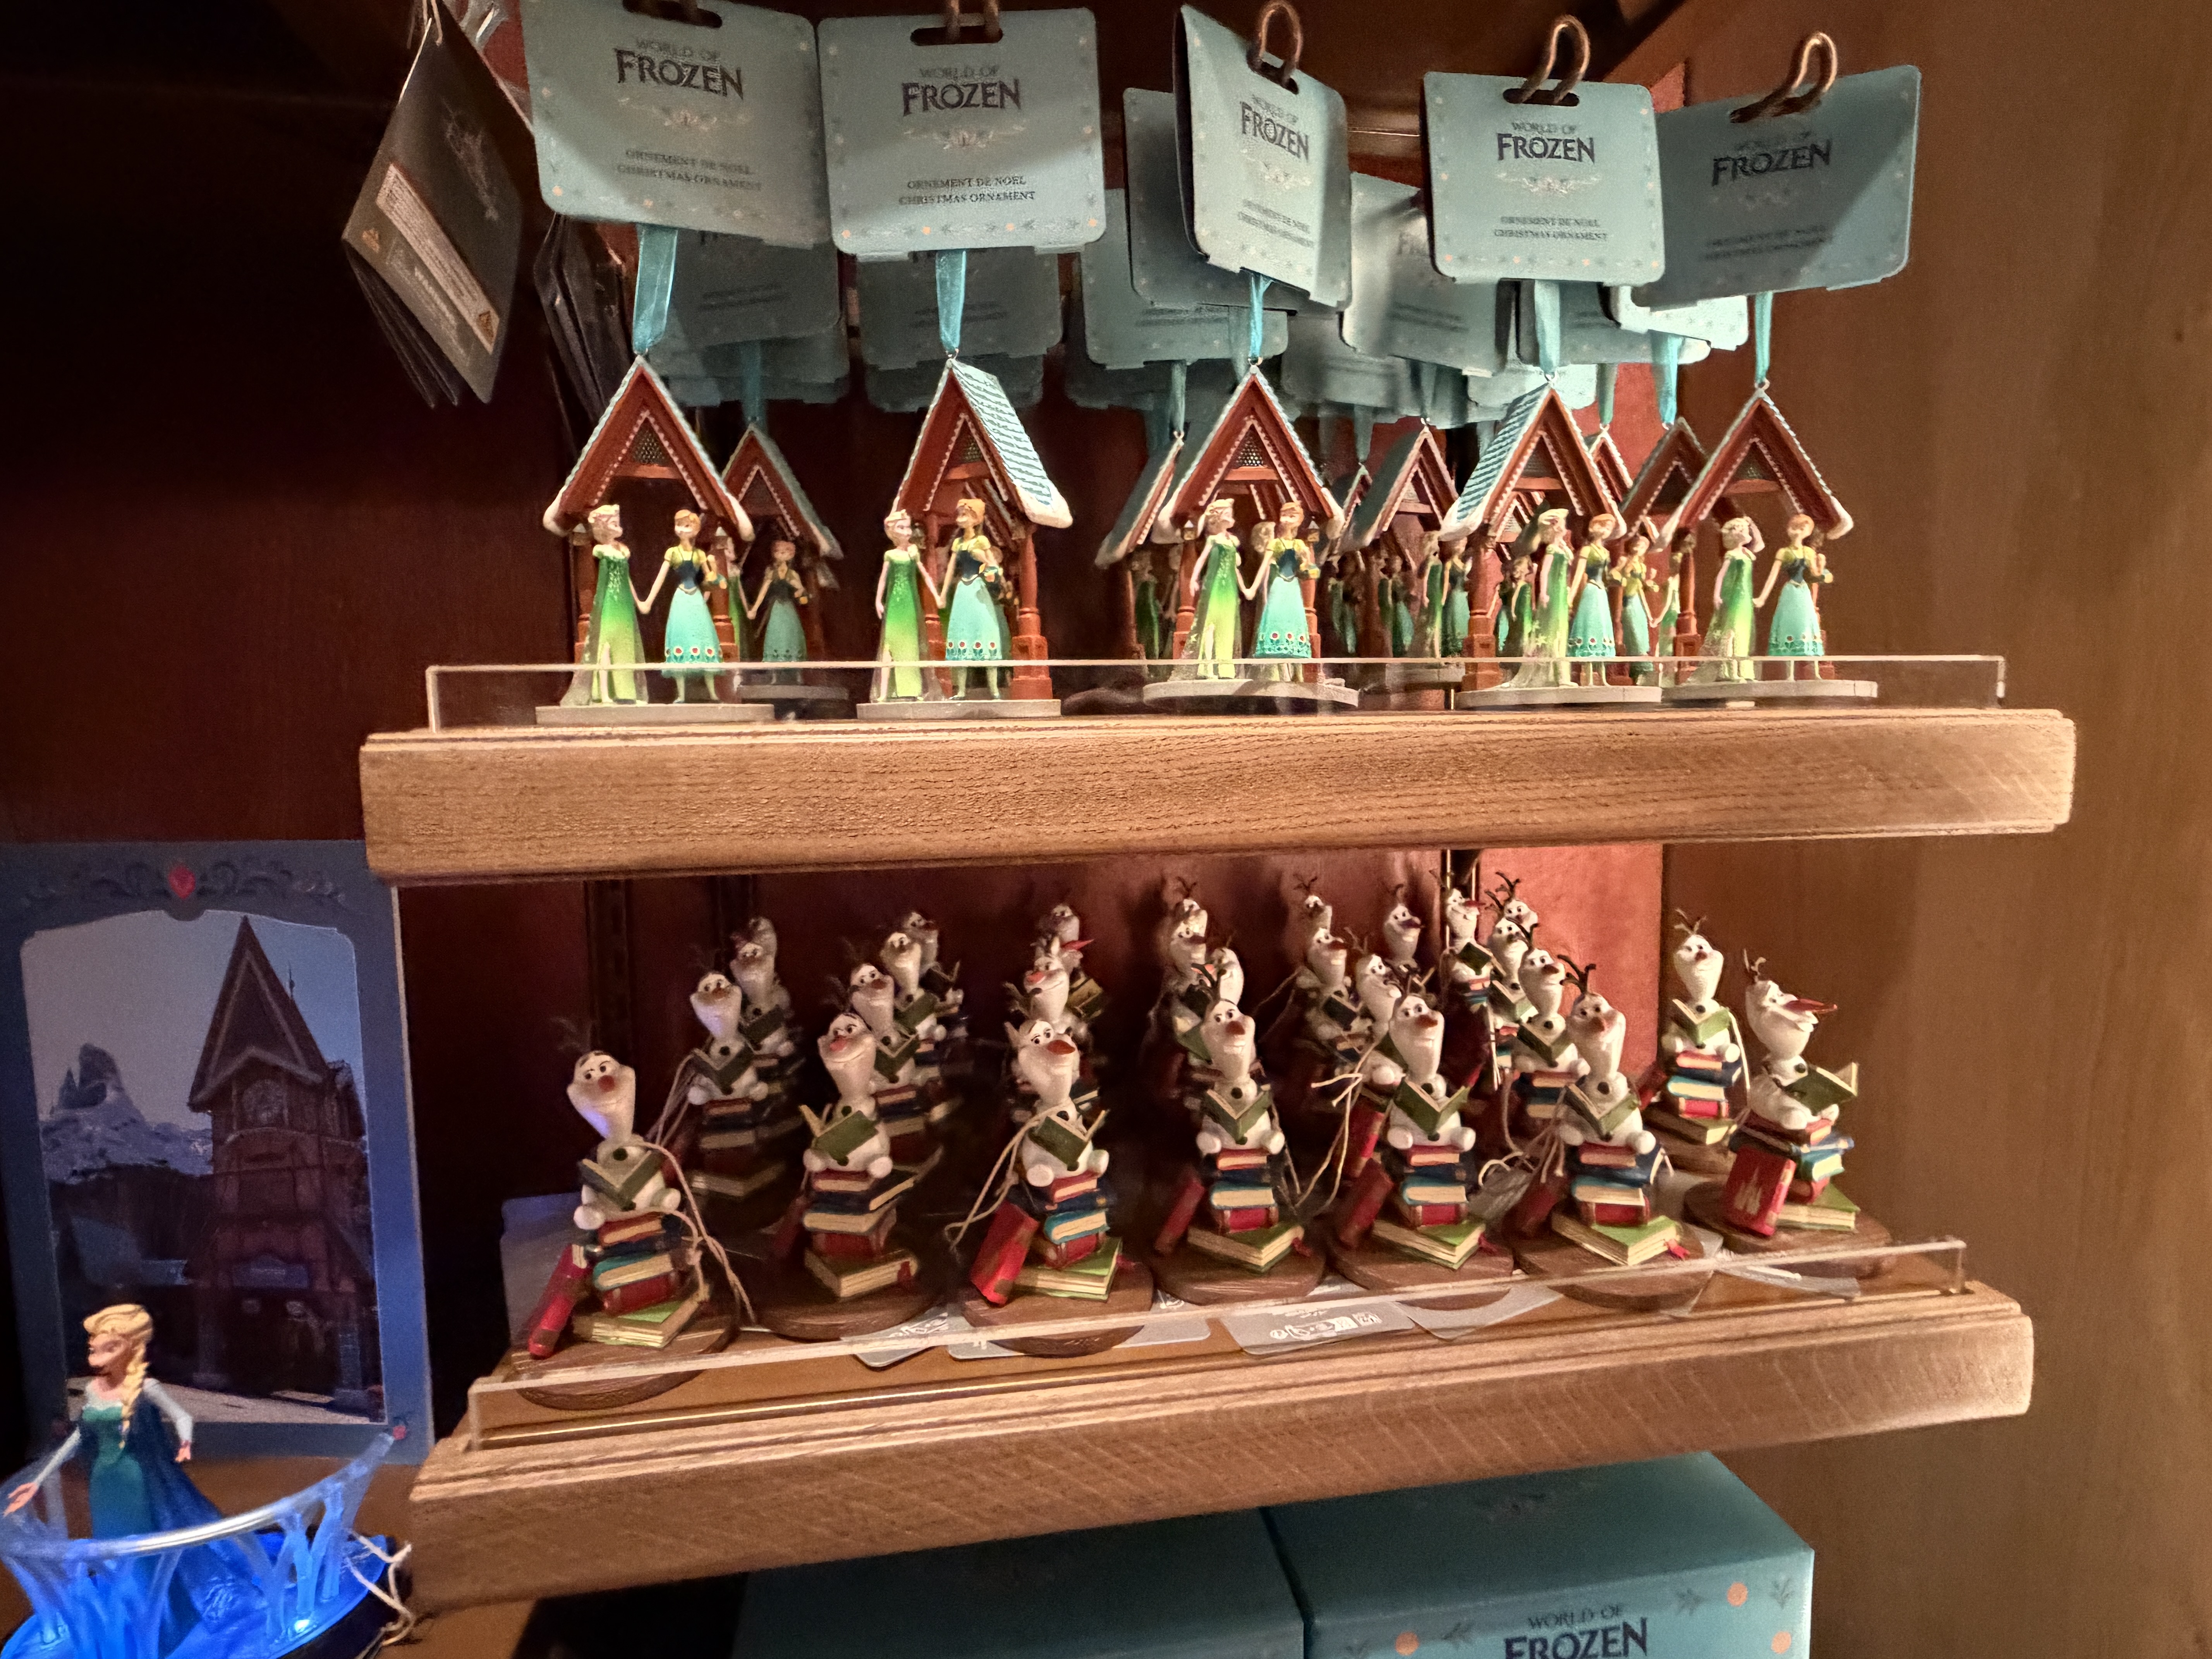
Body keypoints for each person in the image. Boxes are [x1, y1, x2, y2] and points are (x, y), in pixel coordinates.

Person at [8, 1306, 261, 1648]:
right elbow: (80, 1437)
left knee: (145, 1551)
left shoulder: (146, 1386)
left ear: (130, 1348)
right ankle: (133, 1620)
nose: (98, 1357)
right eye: (95, 1348)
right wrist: (39, 1478)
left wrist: (186, 1442)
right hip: (104, 1482)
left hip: (135, 1480)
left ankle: (165, 1626)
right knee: (113, 1552)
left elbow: (182, 1416)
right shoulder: (93, 1390)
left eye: (108, 1348)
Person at [639, 508, 728, 701]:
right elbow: (660, 578)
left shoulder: (700, 554)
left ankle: (713, 693)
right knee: (680, 639)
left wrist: (714, 580)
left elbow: (709, 580)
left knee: (703, 639)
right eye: (679, 525)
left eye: (687, 526)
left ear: (695, 529)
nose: (681, 529)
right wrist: (648, 602)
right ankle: (681, 694)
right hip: (681, 598)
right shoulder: (672, 553)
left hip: (696, 600)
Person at [564, 503, 645, 705]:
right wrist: (597, 604)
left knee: (625, 643)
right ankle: (604, 692)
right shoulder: (601, 550)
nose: (618, 525)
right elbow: (602, 580)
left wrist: (638, 602)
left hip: (624, 603)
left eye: (618, 522)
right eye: (613, 523)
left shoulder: (624, 550)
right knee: (606, 645)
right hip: (610, 601)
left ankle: (626, 691)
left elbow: (627, 579)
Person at [941, 498, 1010, 697]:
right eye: (960, 514)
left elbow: (996, 571)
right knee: (962, 634)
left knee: (985, 632)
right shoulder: (958, 543)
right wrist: (943, 595)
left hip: (979, 590)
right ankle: (962, 690)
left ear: (976, 519)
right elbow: (950, 571)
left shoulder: (982, 542)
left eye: (966, 515)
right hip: (963, 592)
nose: (961, 518)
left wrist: (984, 559)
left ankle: (995, 690)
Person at [872, 508, 942, 702]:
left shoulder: (913, 553)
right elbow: (883, 579)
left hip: (910, 603)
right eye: (901, 528)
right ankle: (884, 693)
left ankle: (915, 689)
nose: (906, 532)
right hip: (895, 603)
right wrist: (878, 601)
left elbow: (925, 575)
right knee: (890, 645)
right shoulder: (890, 555)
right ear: (893, 531)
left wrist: (937, 596)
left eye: (907, 527)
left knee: (911, 645)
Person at [1244, 500, 1320, 679]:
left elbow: (1310, 572)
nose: (1287, 519)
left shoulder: (1300, 545)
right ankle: (1279, 673)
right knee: (1277, 623)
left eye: (1292, 516)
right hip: (1279, 586)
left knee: (1294, 623)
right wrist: (1253, 589)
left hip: (1293, 587)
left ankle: (1298, 673)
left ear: (1299, 520)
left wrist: (1305, 562)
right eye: (1284, 515)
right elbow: (1264, 567)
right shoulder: (1275, 544)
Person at [1756, 512, 1832, 678]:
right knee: (1789, 627)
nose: (1797, 532)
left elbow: (1815, 575)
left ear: (1808, 532)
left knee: (1808, 626)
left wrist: (1822, 564)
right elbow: (1773, 576)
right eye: (1794, 528)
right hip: (1790, 592)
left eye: (1802, 529)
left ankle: (1816, 673)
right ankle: (1789, 674)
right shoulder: (1784, 552)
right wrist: (1762, 598)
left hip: (1803, 593)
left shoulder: (1808, 552)